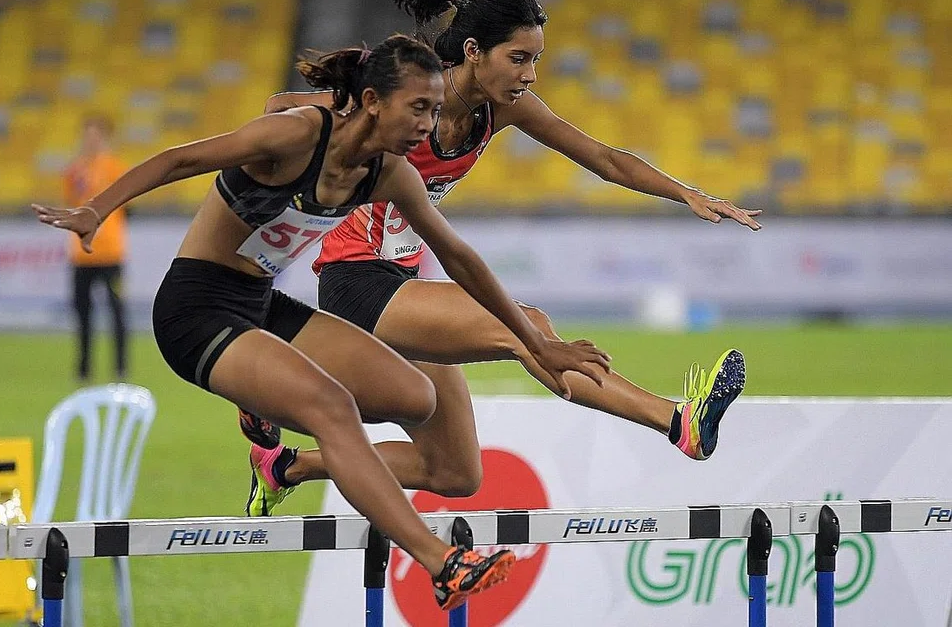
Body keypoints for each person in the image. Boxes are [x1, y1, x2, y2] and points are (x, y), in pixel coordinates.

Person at [33, 34, 611, 611]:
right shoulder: (297, 136)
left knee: (416, 396)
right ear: (373, 101)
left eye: (435, 110)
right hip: (197, 309)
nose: (427, 126)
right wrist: (98, 208)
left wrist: (535, 343)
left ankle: (269, 413)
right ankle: (441, 563)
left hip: (261, 304)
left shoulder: (390, 174)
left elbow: (460, 258)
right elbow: (180, 159)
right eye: (418, 108)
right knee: (331, 408)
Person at [241, 0, 759, 513]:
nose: (529, 74)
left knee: (455, 472)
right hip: (356, 283)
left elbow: (604, 158)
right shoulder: (407, 98)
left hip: (405, 287)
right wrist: (278, 190)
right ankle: (677, 422)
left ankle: (286, 467)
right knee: (526, 328)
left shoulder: (503, 108)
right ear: (473, 52)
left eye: (535, 60)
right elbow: (279, 107)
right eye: (518, 58)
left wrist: (686, 193)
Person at [62, 115, 130, 383]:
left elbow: (128, 203)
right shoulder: (74, 171)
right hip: (82, 255)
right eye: (87, 135)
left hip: (111, 254)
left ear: (104, 138)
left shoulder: (116, 167)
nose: (91, 140)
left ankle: (120, 368)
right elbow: (71, 203)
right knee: (83, 314)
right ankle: (84, 370)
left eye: (96, 135)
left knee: (117, 312)